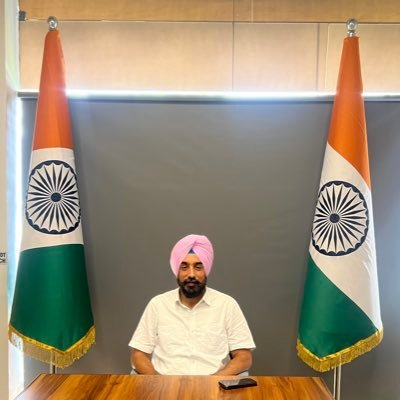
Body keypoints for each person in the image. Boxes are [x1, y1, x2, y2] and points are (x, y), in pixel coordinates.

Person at [129, 234, 255, 375]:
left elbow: (244, 357)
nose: (191, 274)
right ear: (177, 271)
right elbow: (138, 354)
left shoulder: (227, 305)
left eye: (198, 267)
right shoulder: (158, 304)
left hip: (214, 384)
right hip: (165, 383)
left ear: (206, 270)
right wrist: (158, 383)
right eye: (184, 267)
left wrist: (215, 381)